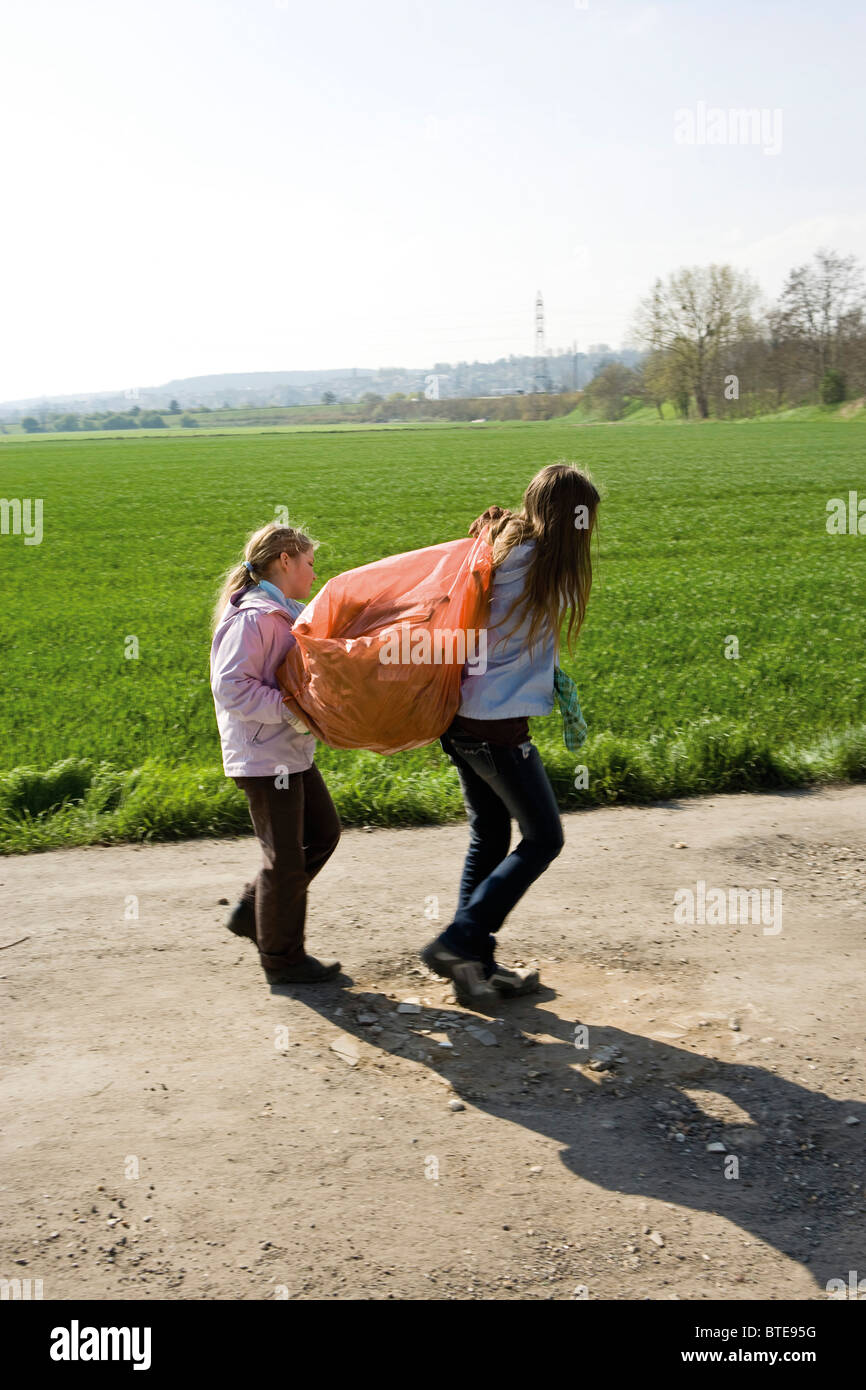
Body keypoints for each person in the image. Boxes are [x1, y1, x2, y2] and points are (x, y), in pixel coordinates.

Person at [422, 462, 601, 1007]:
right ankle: (458, 941)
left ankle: (473, 966)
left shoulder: (499, 551)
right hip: (497, 728)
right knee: (545, 838)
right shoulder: (547, 570)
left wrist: (498, 524)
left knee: (490, 833)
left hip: (456, 719)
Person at [210, 522, 342, 985]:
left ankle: (253, 912)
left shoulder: (287, 612)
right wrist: (292, 709)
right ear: (284, 560)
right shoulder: (253, 617)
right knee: (284, 858)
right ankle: (282, 959)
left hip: (290, 751)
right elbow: (231, 687)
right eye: (309, 562)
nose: (313, 572)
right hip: (264, 757)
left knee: (322, 835)